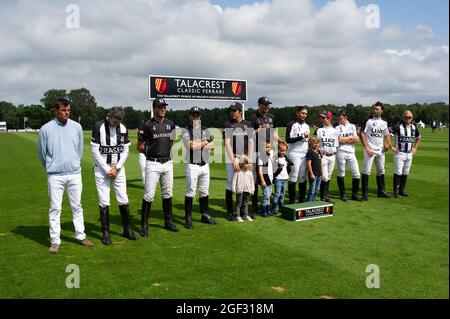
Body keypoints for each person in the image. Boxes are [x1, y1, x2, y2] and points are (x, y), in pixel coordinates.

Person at [38, 98, 93, 253]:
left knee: (77, 206)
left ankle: (81, 236)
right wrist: (51, 167)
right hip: (55, 175)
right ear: (56, 110)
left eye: (68, 110)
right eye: (63, 110)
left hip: (74, 173)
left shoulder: (77, 127)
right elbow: (42, 154)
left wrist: (74, 163)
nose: (66, 113)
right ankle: (55, 241)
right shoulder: (46, 129)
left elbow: (79, 150)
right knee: (55, 207)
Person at [91, 106, 138, 245]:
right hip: (101, 169)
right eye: (115, 120)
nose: (117, 123)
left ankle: (127, 230)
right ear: (109, 116)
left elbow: (125, 151)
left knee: (123, 199)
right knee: (104, 201)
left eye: (119, 120)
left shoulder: (123, 128)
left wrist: (116, 168)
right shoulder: (98, 126)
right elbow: (95, 151)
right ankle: (106, 233)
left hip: (118, 169)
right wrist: (107, 169)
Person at [137, 98, 178, 235]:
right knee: (149, 195)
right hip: (153, 163)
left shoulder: (170, 124)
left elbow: (170, 142)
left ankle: (168, 222)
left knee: (168, 193)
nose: (163, 109)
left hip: (167, 163)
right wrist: (151, 153)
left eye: (164, 106)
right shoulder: (147, 125)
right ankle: (144, 225)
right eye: (160, 107)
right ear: (154, 108)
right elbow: (140, 146)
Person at [181, 106, 217, 229]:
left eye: (197, 115)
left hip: (205, 165)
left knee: (204, 191)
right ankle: (188, 218)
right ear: (189, 116)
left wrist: (206, 144)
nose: (195, 117)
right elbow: (190, 146)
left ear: (200, 116)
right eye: (193, 115)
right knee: (190, 191)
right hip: (192, 165)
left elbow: (213, 144)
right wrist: (204, 143)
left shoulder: (205, 129)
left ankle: (205, 215)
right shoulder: (186, 130)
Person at [248, 97, 281, 215]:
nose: (267, 106)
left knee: (269, 176)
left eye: (268, 104)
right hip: (256, 151)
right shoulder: (253, 118)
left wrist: (280, 140)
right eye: (265, 104)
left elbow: (273, 133)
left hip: (269, 150)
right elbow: (249, 134)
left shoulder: (271, 117)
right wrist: (260, 129)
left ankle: (266, 202)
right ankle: (254, 204)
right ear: (259, 105)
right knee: (256, 177)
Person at [223, 102, 254, 221]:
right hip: (233, 156)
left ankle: (243, 211)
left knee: (245, 183)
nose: (232, 113)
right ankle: (230, 212)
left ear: (240, 111)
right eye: (231, 110)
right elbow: (227, 143)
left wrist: (250, 159)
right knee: (231, 184)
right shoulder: (228, 124)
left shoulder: (248, 124)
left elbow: (251, 142)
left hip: (246, 157)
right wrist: (233, 160)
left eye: (234, 110)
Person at [360, 101, 392, 200]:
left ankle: (381, 191)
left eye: (377, 109)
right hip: (370, 150)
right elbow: (362, 134)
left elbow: (387, 134)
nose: (375, 110)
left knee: (381, 170)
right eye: (374, 108)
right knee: (366, 171)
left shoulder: (384, 122)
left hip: (380, 150)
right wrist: (367, 148)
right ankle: (364, 194)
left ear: (382, 111)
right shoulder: (368, 120)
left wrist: (387, 145)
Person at [391, 110, 421, 198]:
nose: (408, 119)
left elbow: (418, 138)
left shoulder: (414, 127)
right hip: (399, 153)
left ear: (412, 118)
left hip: (409, 153)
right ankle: (395, 192)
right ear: (403, 117)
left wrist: (415, 148)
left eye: (410, 117)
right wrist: (391, 147)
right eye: (406, 117)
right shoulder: (397, 126)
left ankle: (401, 191)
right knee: (398, 172)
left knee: (405, 172)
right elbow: (388, 136)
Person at [335, 108, 363, 201]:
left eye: (340, 116)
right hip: (340, 152)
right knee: (341, 173)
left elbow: (357, 139)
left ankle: (354, 195)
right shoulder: (337, 127)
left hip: (351, 152)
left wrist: (346, 139)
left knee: (357, 174)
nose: (338, 117)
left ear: (345, 116)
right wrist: (350, 137)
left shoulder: (353, 126)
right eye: (337, 116)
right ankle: (343, 194)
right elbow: (339, 140)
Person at [285, 106, 310, 203]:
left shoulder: (307, 126)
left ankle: (301, 198)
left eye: (306, 114)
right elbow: (288, 139)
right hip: (294, 153)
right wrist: (302, 136)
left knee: (302, 177)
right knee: (294, 176)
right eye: (302, 113)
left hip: (304, 154)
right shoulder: (291, 124)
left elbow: (306, 140)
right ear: (297, 113)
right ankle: (291, 200)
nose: (304, 115)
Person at [315, 111, 339, 202]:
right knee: (324, 176)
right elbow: (316, 143)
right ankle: (323, 195)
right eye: (321, 117)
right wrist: (319, 151)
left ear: (329, 118)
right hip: (323, 156)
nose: (321, 119)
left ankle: (324, 195)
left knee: (328, 176)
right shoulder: (319, 130)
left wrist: (334, 153)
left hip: (332, 156)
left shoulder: (335, 131)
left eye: (323, 117)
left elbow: (336, 144)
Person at [231, 155, 255, 222]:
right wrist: (233, 189)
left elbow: (252, 182)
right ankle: (237, 216)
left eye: (249, 163)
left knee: (245, 203)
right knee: (239, 203)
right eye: (246, 163)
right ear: (242, 163)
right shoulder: (238, 172)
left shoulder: (250, 173)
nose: (248, 165)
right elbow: (234, 181)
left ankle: (246, 215)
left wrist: (252, 189)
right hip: (239, 190)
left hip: (247, 190)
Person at [271, 141, 292, 215]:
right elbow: (274, 170)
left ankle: (281, 208)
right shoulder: (276, 159)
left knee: (282, 194)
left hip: (285, 178)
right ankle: (272, 209)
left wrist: (290, 166)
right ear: (278, 150)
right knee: (277, 194)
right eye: (282, 150)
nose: (283, 152)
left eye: (285, 151)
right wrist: (278, 168)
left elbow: (289, 166)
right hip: (278, 179)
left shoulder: (285, 158)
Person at [257, 142, 274, 217]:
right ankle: (263, 210)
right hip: (264, 179)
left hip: (269, 178)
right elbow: (260, 170)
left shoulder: (269, 155)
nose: (268, 149)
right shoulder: (261, 157)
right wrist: (262, 180)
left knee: (269, 195)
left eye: (269, 147)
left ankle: (268, 209)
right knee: (266, 195)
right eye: (267, 147)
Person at [306, 136, 322, 202]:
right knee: (312, 190)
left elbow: (320, 161)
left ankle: (314, 202)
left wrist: (321, 172)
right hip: (313, 174)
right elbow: (309, 163)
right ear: (311, 144)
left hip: (319, 174)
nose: (316, 144)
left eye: (317, 143)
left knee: (316, 190)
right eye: (315, 143)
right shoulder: (310, 152)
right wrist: (311, 173)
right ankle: (309, 203)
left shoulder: (318, 151)